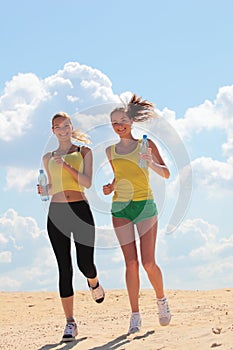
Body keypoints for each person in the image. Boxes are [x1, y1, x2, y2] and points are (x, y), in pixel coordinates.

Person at [103, 94, 171, 334]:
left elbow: (166, 173)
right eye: (114, 123)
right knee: (130, 263)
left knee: (148, 262)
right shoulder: (110, 151)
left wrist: (149, 162)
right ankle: (135, 315)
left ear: (131, 121)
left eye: (122, 120)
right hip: (120, 207)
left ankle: (161, 301)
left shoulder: (146, 144)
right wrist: (110, 187)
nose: (118, 126)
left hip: (145, 206)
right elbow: (120, 176)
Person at [38, 112, 105, 342]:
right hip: (57, 213)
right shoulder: (48, 157)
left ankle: (93, 281)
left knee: (85, 264)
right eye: (58, 127)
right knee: (64, 268)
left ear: (71, 127)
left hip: (80, 210)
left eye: (67, 126)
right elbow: (53, 186)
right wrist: (44, 190)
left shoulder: (83, 152)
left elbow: (86, 182)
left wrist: (66, 165)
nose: (63, 130)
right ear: (53, 131)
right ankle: (70, 323)